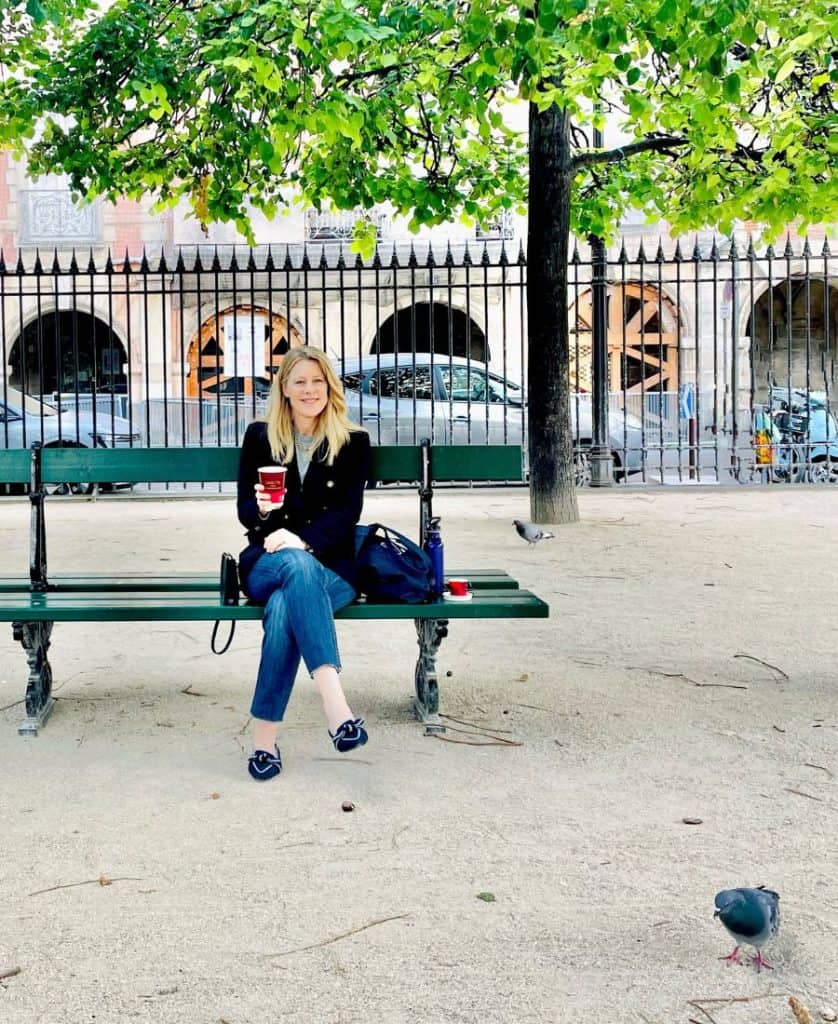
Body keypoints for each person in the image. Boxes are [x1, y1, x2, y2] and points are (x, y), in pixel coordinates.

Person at [236, 346, 372, 781]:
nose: (309, 390)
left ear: (329, 387)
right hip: (268, 561)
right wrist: (259, 510)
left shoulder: (353, 441)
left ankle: (263, 744)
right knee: (293, 567)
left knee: (282, 610)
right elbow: (245, 509)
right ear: (285, 390)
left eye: (317, 381)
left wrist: (303, 541)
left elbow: (346, 513)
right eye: (300, 382)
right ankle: (336, 708)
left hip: (332, 568)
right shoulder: (260, 437)